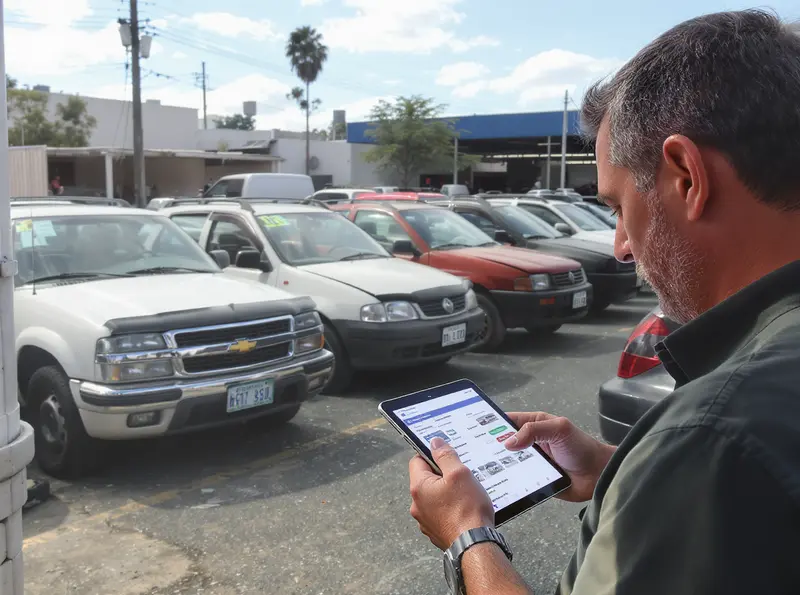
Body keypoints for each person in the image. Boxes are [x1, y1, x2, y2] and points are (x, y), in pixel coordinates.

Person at [408, 10, 800, 595]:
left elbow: (725, 457)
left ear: (688, 178)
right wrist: (614, 467)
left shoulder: (711, 434)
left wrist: (469, 534)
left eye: (618, 207)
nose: (620, 246)